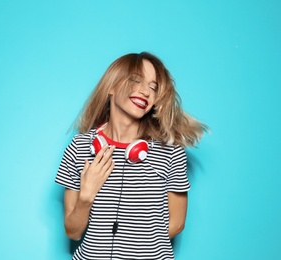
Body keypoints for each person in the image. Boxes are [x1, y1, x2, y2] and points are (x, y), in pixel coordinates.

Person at [56, 52, 206, 259]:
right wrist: (87, 196)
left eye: (153, 88)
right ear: (111, 86)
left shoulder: (170, 151)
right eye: (136, 80)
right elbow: (72, 232)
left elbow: (177, 223)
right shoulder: (80, 146)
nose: (145, 91)